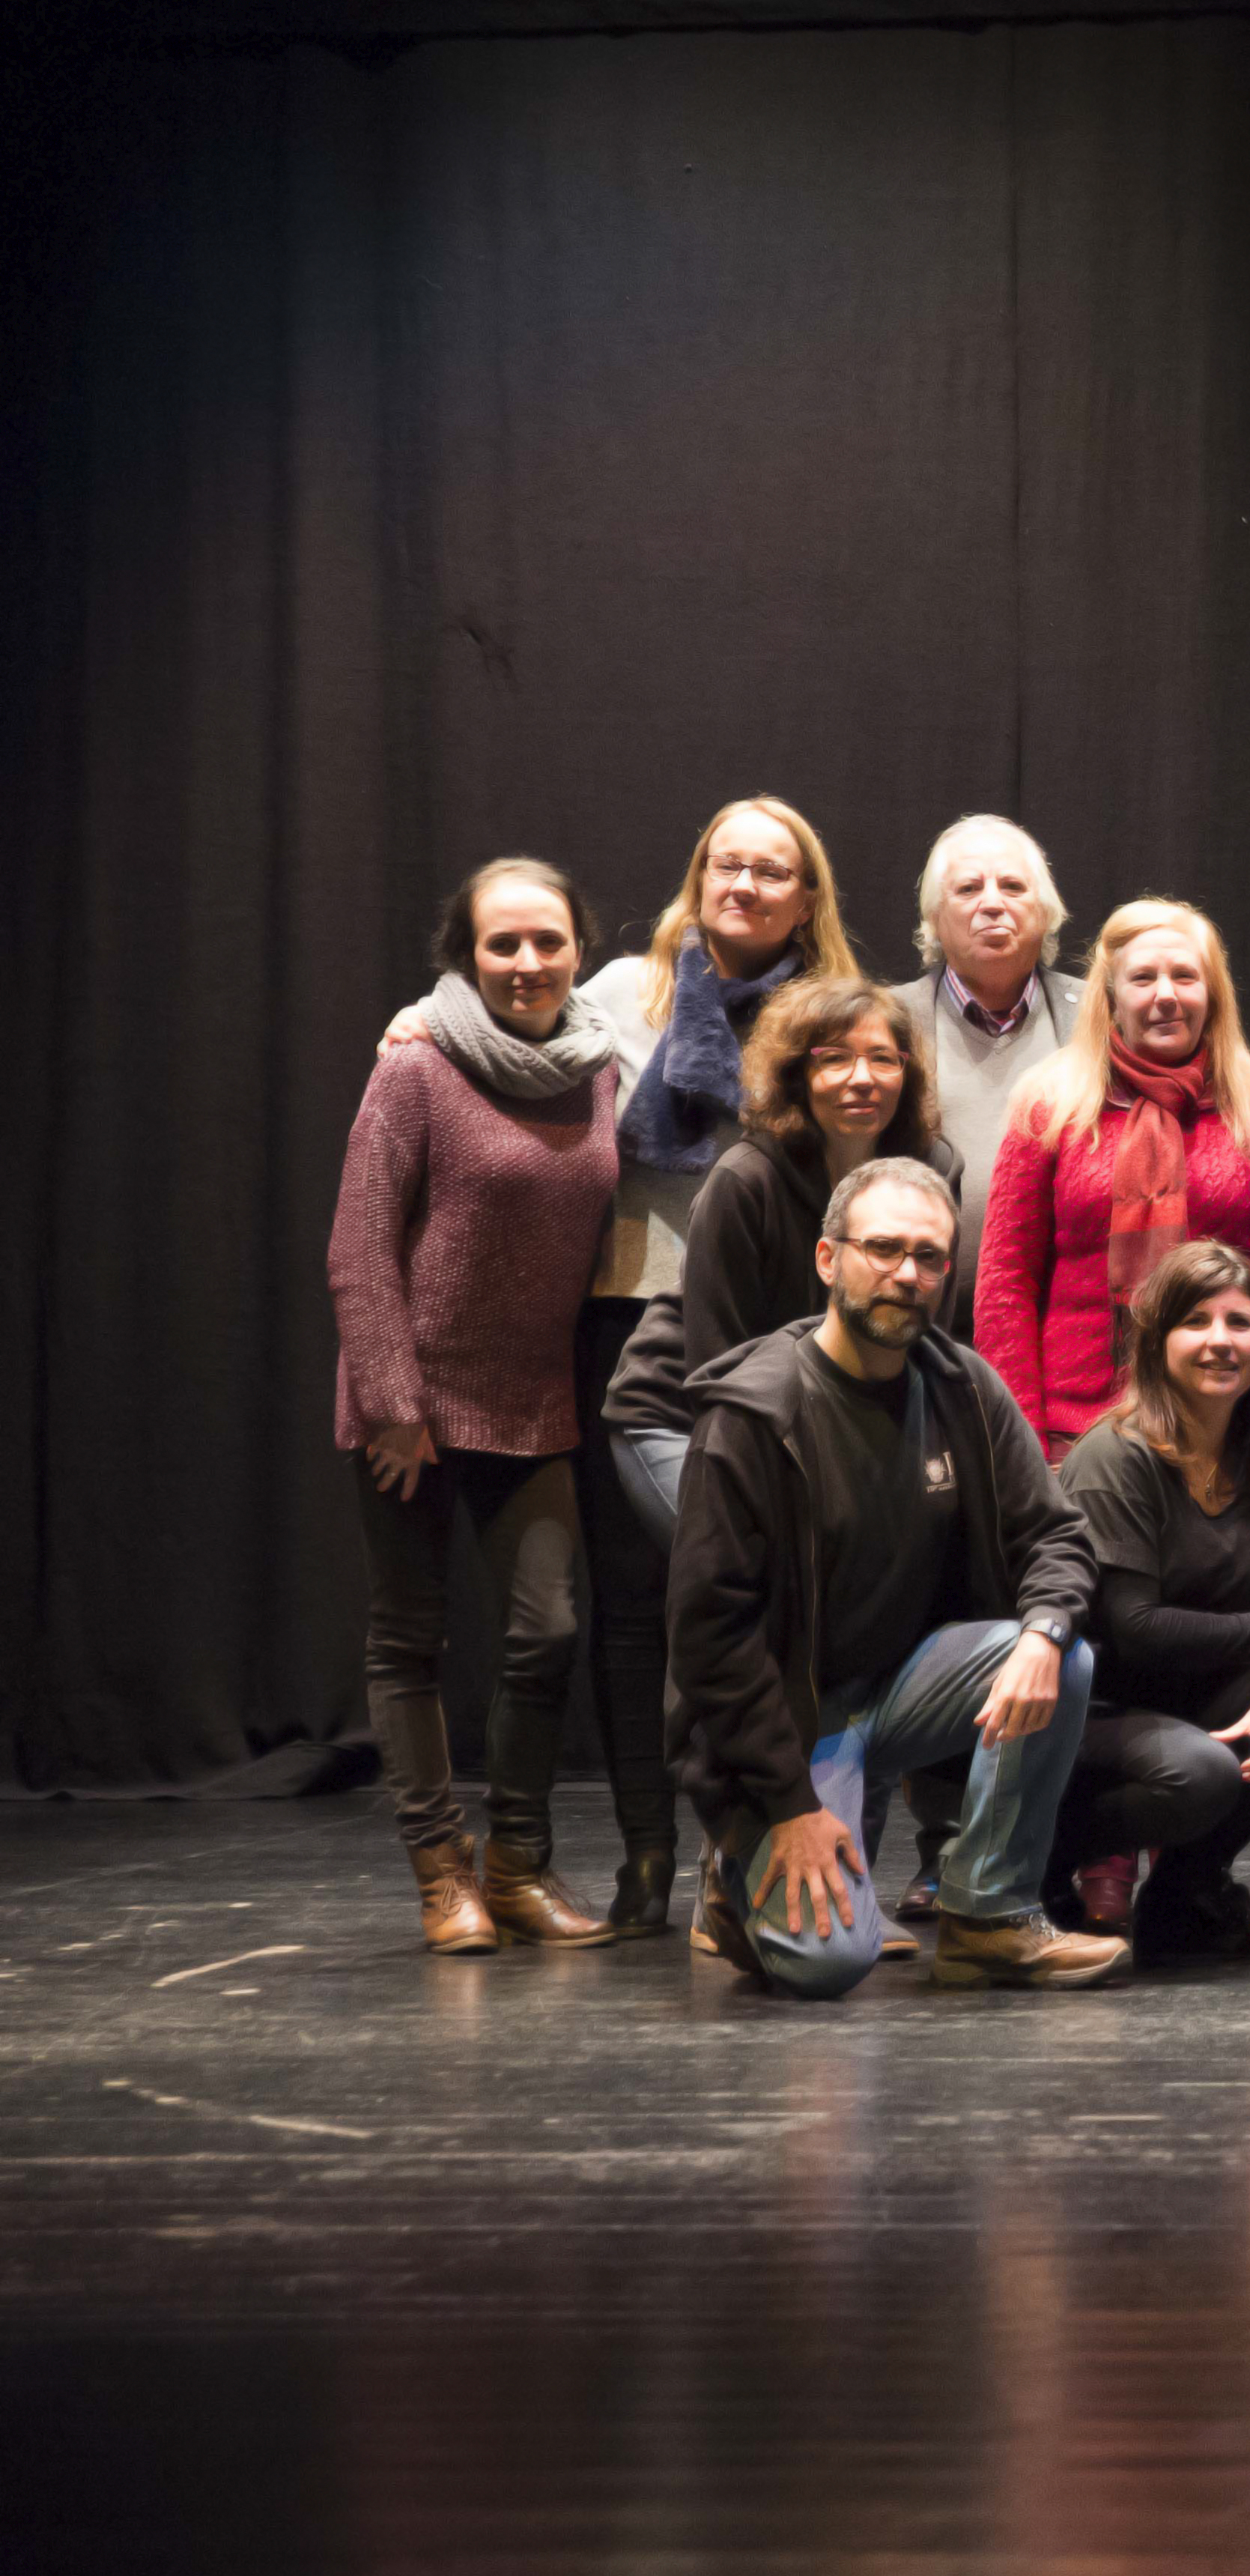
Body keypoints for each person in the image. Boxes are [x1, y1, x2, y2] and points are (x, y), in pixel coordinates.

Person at [389, 796, 865, 1933]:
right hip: (623, 1321)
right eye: (726, 865)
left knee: (768, 1595)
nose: (744, 886)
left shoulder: (829, 1014)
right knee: (633, 1606)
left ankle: (737, 1849)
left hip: (774, 1328)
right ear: (699, 876)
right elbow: (493, 1040)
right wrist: (416, 1019)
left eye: (771, 871)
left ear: (809, 896)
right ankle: (648, 1854)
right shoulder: (618, 998)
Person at [664, 1157, 1116, 1995]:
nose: (908, 1275)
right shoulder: (754, 1416)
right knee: (829, 1962)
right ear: (829, 1259)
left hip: (904, 1689)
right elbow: (710, 1640)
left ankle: (988, 1914)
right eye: (884, 1249)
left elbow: (1057, 1534)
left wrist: (1044, 1633)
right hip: (793, 1725)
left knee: (1063, 1648)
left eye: (930, 1257)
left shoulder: (962, 1385)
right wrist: (789, 1806)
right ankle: (734, 1875)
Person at [591, 978, 962, 1936]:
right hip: (684, 1418)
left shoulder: (932, 1165)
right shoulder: (747, 1178)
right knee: (764, 1596)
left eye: (883, 1057)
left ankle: (845, 1879)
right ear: (797, 1071)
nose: (860, 1077)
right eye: (833, 1057)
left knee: (863, 1596)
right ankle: (734, 1847)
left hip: (824, 1426)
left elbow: (917, 1342)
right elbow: (719, 1371)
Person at [328, 859, 624, 1954]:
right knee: (410, 1638)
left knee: (545, 1634)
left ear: (579, 950)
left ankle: (517, 1867)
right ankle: (438, 1871)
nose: (527, 962)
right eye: (503, 944)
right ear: (467, 956)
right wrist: (396, 1402)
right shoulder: (416, 1065)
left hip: (532, 1395)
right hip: (409, 1397)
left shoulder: (596, 1065)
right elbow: (358, 1246)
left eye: (547, 940)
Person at [1048, 1246, 1250, 1960]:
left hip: (1195, 1694)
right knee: (1201, 1773)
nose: (1221, 1340)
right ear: (1156, 1343)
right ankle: (1038, 1861)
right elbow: (1135, 1631)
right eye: (1195, 1321)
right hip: (1097, 1709)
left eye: (1240, 1322)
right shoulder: (1113, 1458)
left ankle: (1184, 1893)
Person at [976, 897, 1250, 1473]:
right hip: (1073, 1435)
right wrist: (1017, 1443)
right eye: (1143, 978)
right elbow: (1005, 1282)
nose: (1165, 994)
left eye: (1185, 976)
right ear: (1110, 997)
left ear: (1212, 993)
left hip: (1235, 1427)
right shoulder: (1049, 1107)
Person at [891, 812, 1083, 1319]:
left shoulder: (1101, 1019)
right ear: (933, 918)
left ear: (1045, 913)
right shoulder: (885, 1021)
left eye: (1014, 887)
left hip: (1066, 1329)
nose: (992, 903)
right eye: (969, 888)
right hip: (920, 1328)